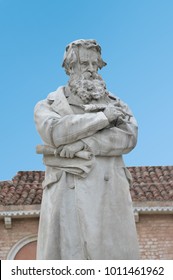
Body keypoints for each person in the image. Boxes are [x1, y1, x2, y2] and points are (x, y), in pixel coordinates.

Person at [34, 39, 139, 259]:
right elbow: (55, 133)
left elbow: (128, 137)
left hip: (109, 195)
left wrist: (83, 143)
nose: (91, 70)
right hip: (67, 195)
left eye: (95, 64)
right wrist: (103, 119)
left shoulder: (117, 104)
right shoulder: (49, 105)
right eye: (84, 64)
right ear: (70, 68)